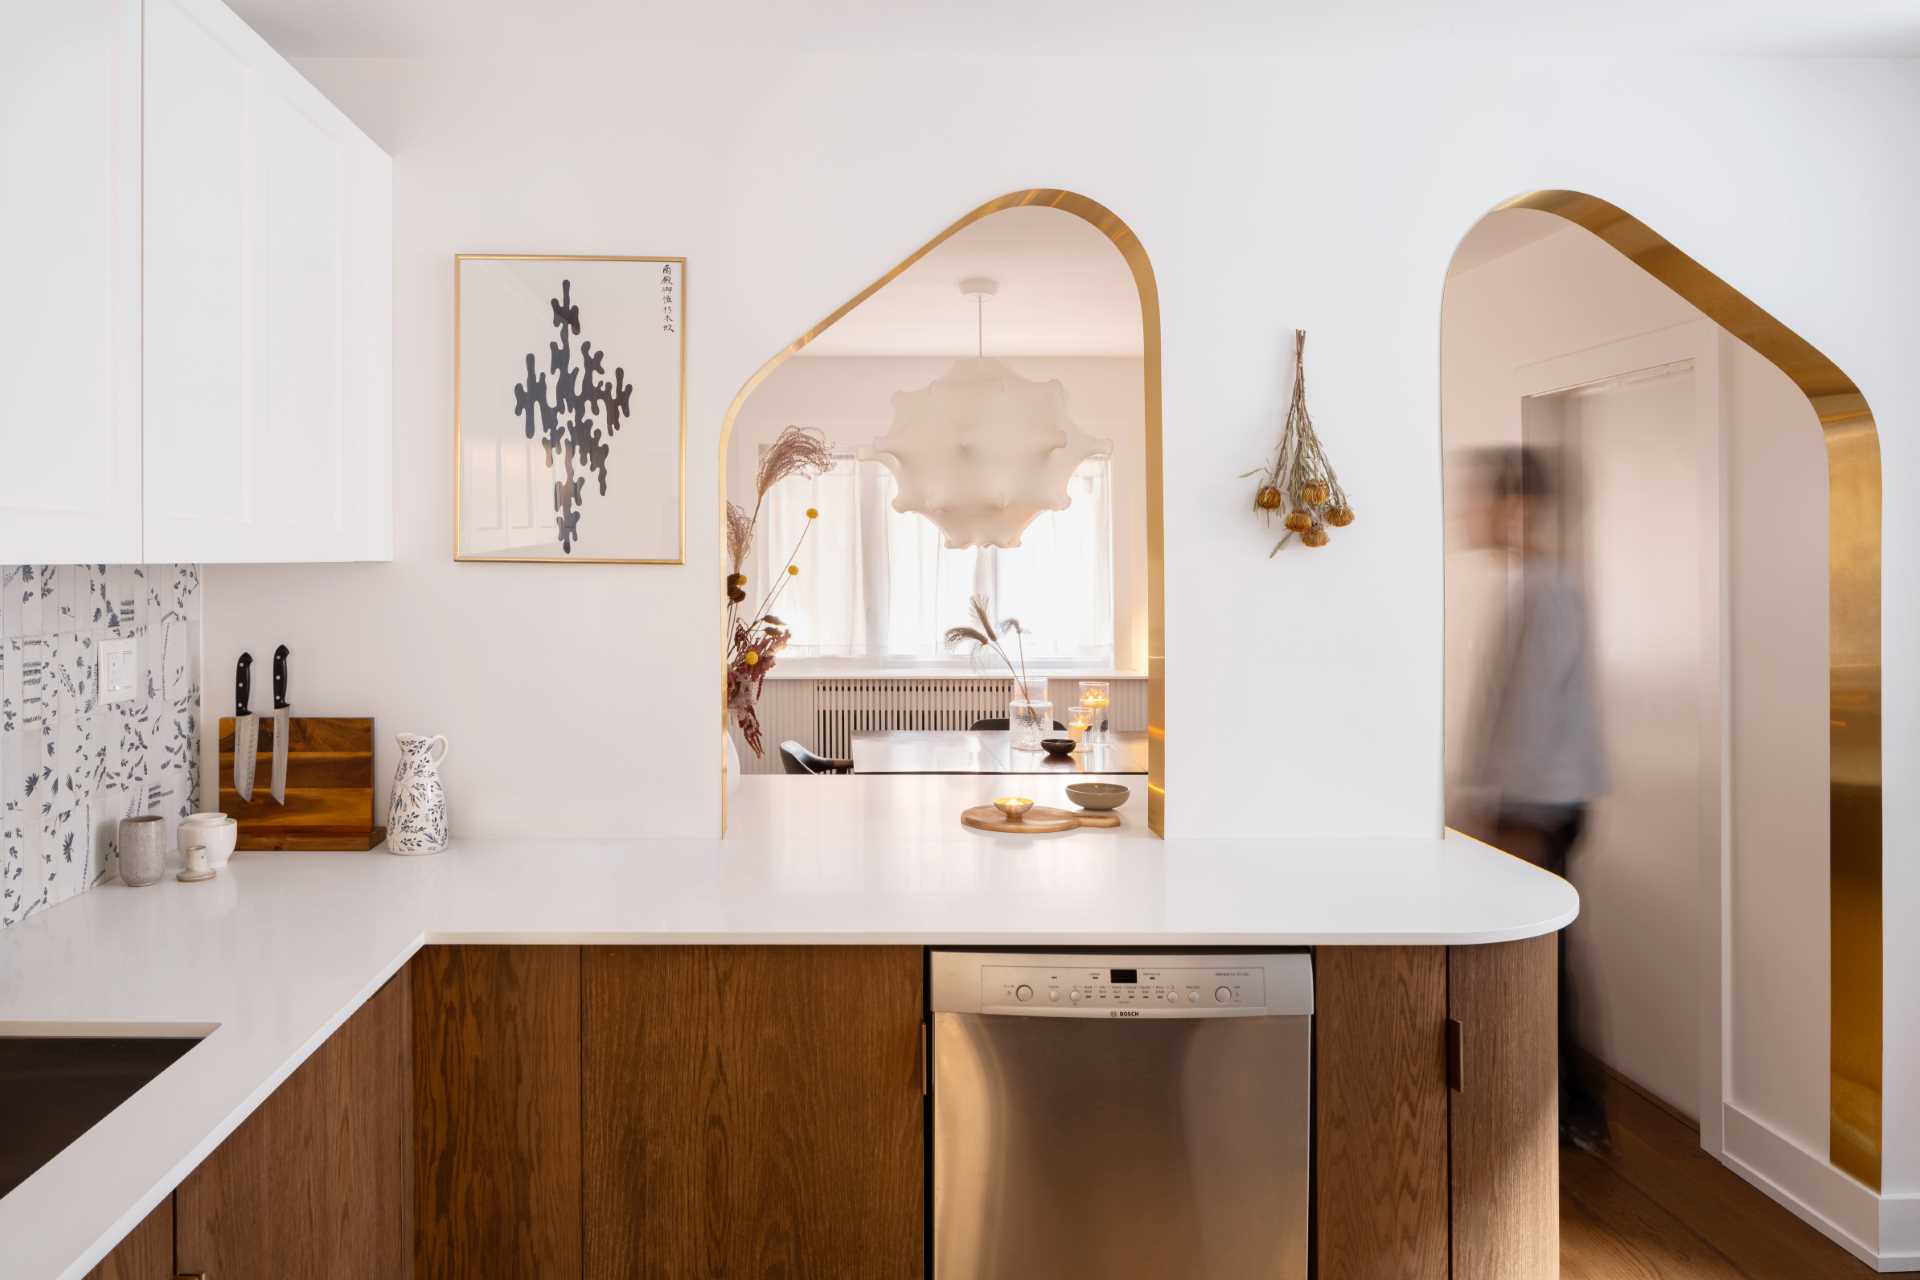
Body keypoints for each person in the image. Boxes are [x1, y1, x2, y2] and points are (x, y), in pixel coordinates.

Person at [1459, 445, 1611, 1150]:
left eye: (1483, 498)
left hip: (1540, 803)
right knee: (1546, 956)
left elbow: (1534, 712)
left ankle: (1572, 1116)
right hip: (1532, 798)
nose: (1472, 513)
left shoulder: (1548, 589)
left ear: (1516, 506)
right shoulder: (1534, 584)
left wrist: (1511, 813)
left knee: (1542, 959)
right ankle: (1568, 1112)